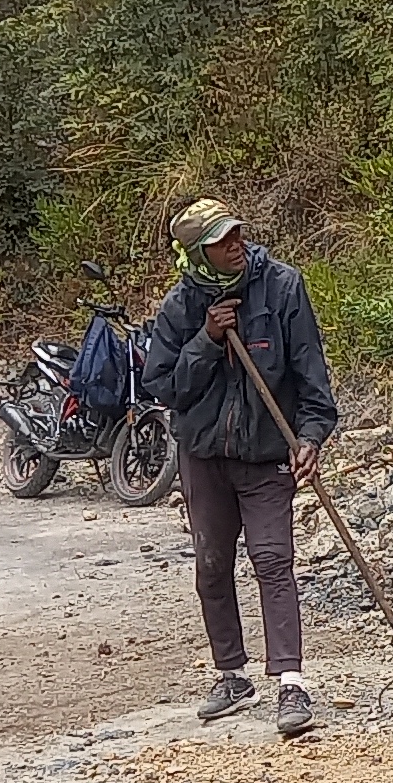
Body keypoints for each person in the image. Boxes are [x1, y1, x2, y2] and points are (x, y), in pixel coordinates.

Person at [140, 199, 341, 737]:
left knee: (273, 560)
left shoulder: (282, 288)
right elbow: (163, 388)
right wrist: (206, 340)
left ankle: (291, 683)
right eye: (221, 241)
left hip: (267, 454)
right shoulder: (180, 307)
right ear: (196, 255)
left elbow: (311, 377)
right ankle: (231, 674)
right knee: (211, 565)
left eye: (237, 235)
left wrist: (310, 438)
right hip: (203, 456)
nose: (237, 245)